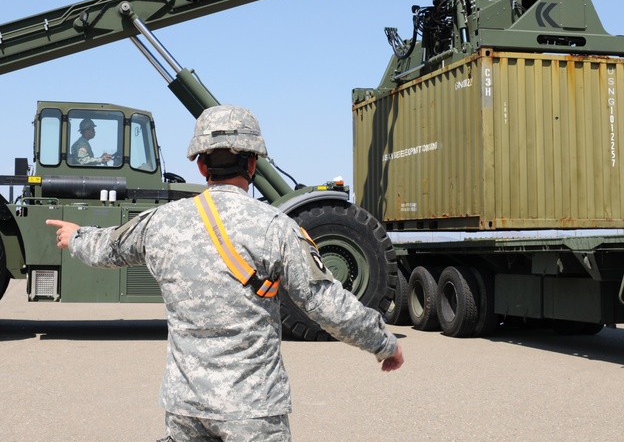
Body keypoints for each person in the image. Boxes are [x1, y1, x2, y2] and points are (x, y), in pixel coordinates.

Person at [47, 105, 403, 442]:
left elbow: (107, 248)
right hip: (252, 409)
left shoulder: (161, 223)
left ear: (202, 167)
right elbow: (325, 303)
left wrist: (75, 236)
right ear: (252, 163)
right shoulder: (277, 227)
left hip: (185, 407)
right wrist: (383, 344)